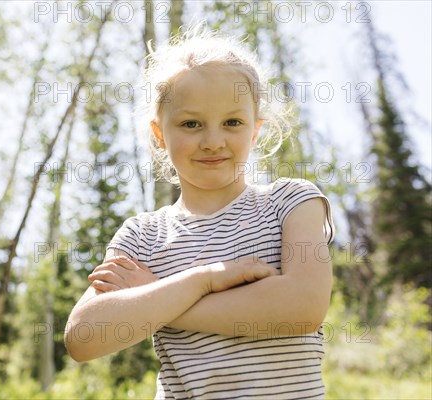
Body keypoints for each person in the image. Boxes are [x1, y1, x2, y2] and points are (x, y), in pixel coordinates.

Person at [65, 26, 335, 399]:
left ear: (255, 129)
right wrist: (201, 280)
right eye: (191, 124)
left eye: (232, 122)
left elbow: (302, 308)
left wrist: (155, 298)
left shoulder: (291, 202)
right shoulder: (142, 235)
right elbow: (84, 336)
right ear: (160, 134)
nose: (212, 141)